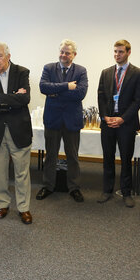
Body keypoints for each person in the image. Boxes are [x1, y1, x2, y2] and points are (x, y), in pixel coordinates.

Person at [0, 42, 33, 224]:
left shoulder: (22, 72)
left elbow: (24, 99)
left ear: (8, 56)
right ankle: (2, 204)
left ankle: (24, 208)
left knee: (22, 172)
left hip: (19, 129)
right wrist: (12, 98)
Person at [36, 39, 88, 203]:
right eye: (62, 52)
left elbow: (80, 94)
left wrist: (55, 91)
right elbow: (44, 87)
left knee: (72, 156)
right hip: (53, 119)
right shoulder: (49, 68)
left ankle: (74, 188)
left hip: (72, 120)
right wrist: (67, 86)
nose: (63, 55)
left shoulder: (81, 71)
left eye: (67, 52)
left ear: (74, 55)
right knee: (50, 155)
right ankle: (48, 186)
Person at [96, 40, 140, 208]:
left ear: (128, 52)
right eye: (115, 51)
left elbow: (137, 100)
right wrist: (105, 116)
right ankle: (107, 190)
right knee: (107, 157)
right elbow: (101, 96)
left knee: (126, 158)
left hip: (126, 123)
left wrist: (122, 118)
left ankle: (126, 192)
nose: (117, 55)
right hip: (108, 122)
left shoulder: (138, 73)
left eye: (121, 52)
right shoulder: (106, 72)